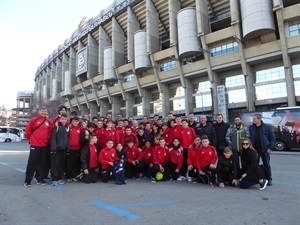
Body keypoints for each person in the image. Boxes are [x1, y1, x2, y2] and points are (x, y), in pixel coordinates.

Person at [24, 106, 51, 187]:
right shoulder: (34, 120)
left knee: (42, 164)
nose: (44, 112)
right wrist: (31, 140)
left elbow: (49, 133)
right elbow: (28, 131)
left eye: (45, 111)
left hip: (44, 145)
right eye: (42, 111)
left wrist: (47, 141)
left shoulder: (48, 121)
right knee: (32, 163)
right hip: (35, 145)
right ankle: (27, 181)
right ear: (39, 111)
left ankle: (39, 178)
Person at [249, 114, 275, 186]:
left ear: (259, 119)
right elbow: (248, 138)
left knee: (266, 164)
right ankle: (256, 178)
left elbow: (272, 138)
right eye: (253, 119)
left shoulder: (267, 127)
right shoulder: (251, 127)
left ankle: (269, 179)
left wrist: (271, 148)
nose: (253, 120)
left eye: (254, 119)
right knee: (255, 165)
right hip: (254, 150)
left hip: (264, 149)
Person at [50, 113, 70, 186]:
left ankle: (59, 178)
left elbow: (67, 138)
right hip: (57, 149)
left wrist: (68, 147)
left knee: (61, 164)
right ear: (60, 119)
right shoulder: (57, 126)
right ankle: (54, 179)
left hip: (63, 149)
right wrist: (53, 148)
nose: (64, 120)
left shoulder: (67, 127)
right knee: (55, 164)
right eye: (62, 119)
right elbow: (53, 138)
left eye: (65, 119)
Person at [66, 116, 82, 182]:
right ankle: (69, 176)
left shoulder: (80, 128)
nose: (74, 122)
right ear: (71, 122)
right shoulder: (69, 128)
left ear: (78, 122)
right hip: (70, 148)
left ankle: (74, 175)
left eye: (76, 121)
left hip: (77, 148)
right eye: (73, 121)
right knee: (70, 163)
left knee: (75, 163)